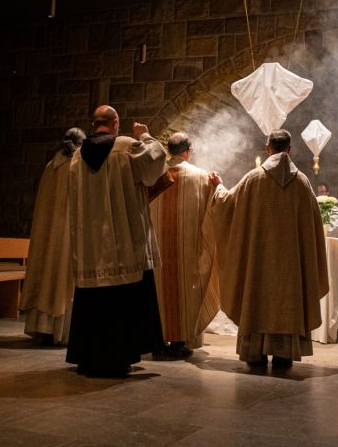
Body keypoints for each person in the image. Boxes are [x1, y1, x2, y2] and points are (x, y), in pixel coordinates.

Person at [208, 129, 329, 369]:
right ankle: (284, 355)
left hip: (258, 263)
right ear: (290, 150)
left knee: (257, 296)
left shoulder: (253, 179)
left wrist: (218, 186)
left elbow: (226, 205)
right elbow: (314, 228)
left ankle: (256, 353)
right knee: (287, 298)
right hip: (291, 267)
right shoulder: (302, 183)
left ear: (267, 149)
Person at [65, 105, 168, 377]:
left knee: (93, 303)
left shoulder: (77, 156)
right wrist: (145, 135)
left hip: (91, 245)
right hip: (123, 241)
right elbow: (156, 163)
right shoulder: (126, 147)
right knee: (122, 302)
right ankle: (118, 358)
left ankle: (89, 358)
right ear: (115, 123)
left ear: (93, 124)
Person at [148, 132, 220, 358]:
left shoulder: (154, 177)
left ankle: (157, 341)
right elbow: (213, 214)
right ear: (188, 151)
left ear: (169, 150)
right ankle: (179, 341)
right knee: (184, 293)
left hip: (157, 250)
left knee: (159, 292)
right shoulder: (201, 177)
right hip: (187, 252)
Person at [20, 127, 86, 345]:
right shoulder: (77, 166)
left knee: (47, 273)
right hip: (68, 231)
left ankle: (42, 327)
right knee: (63, 277)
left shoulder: (51, 166)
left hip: (49, 234)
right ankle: (62, 331)